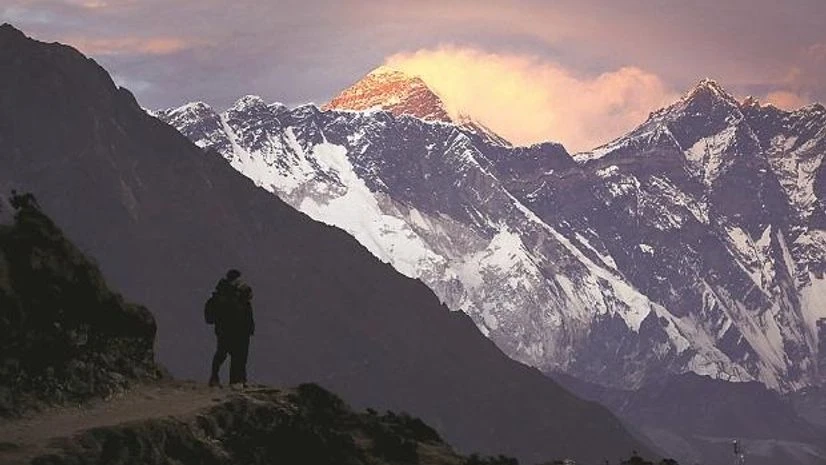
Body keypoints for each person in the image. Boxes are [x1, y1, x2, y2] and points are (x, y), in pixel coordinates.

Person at [205, 269, 255, 388]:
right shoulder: (225, 294)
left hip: (235, 329)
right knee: (227, 354)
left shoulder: (236, 292)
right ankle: (226, 379)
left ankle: (235, 380)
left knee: (235, 355)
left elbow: (247, 307)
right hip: (229, 329)